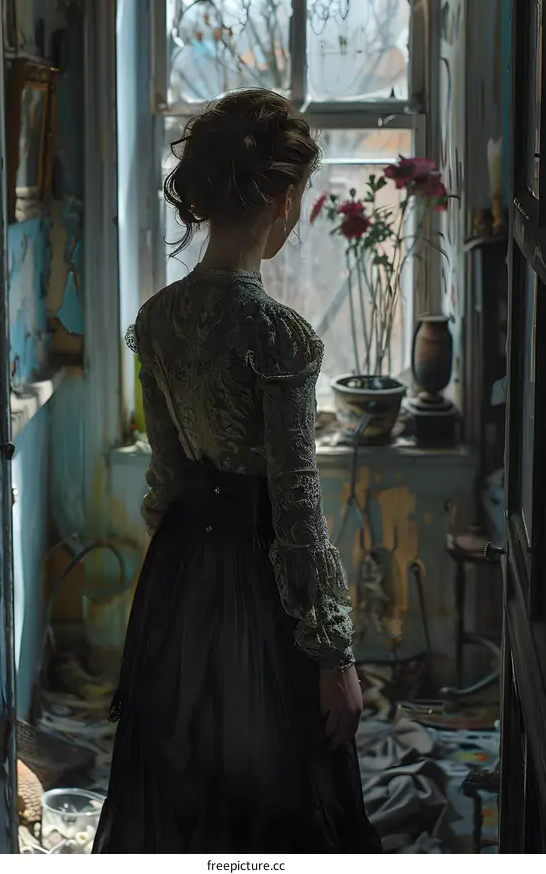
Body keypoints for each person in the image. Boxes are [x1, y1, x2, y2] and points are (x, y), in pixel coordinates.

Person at [93, 89, 381, 854]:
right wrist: (333, 657)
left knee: (186, 793)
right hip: (262, 584)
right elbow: (297, 508)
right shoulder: (279, 336)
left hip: (181, 575)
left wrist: (179, 602)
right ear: (284, 200)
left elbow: (166, 484)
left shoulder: (155, 321)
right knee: (276, 796)